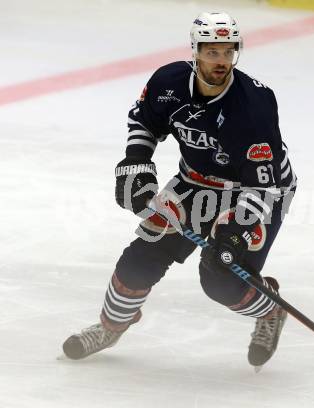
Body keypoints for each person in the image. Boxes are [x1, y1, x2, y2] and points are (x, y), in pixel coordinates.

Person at [63, 11, 297, 370]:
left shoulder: (253, 106)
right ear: (196, 50)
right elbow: (144, 121)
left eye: (227, 51)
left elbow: (263, 185)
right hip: (194, 184)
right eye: (212, 51)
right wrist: (136, 163)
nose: (221, 61)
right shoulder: (168, 82)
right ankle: (111, 326)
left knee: (221, 279)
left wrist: (234, 232)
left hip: (257, 192)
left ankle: (270, 310)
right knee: (141, 258)